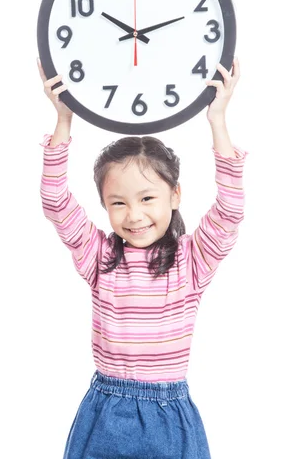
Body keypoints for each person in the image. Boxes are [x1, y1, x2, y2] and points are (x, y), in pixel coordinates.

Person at [38, 57, 245, 459]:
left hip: (170, 419)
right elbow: (55, 201)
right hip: (105, 412)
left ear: (175, 195)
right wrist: (63, 121)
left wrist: (217, 121)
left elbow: (230, 211)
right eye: (118, 202)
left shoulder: (192, 261)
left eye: (147, 198)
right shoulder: (98, 256)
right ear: (104, 205)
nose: (134, 215)